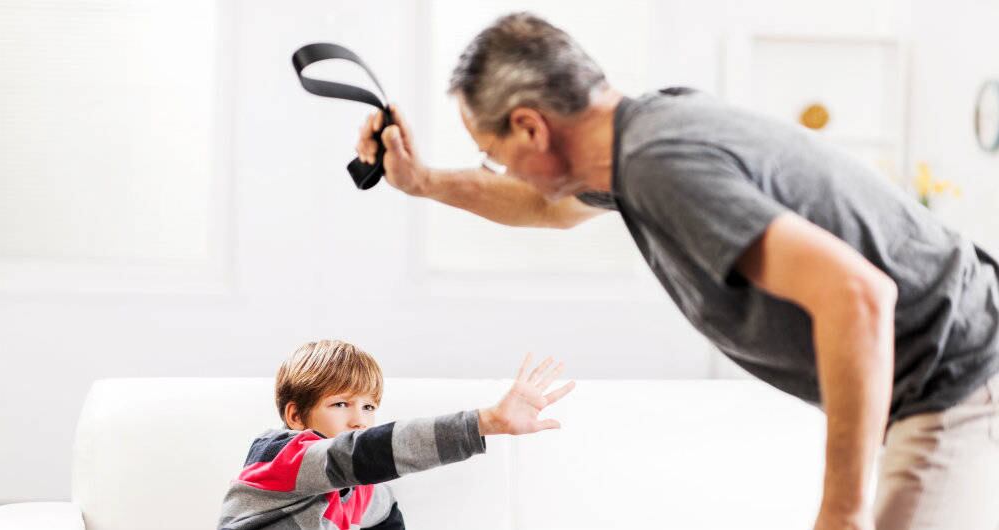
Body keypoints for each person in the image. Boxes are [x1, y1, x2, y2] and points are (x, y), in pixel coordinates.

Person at [354, 12, 999, 530]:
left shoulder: (660, 167)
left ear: (529, 127)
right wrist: (424, 182)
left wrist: (841, 512)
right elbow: (539, 206)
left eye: (493, 154)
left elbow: (857, 297)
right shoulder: (639, 138)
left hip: (955, 375)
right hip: (941, 370)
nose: (503, 171)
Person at [218, 339, 574, 530]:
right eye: (341, 405)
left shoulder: (363, 494)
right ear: (295, 415)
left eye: (369, 407)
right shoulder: (285, 458)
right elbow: (368, 452)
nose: (359, 421)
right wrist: (484, 422)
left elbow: (385, 513)